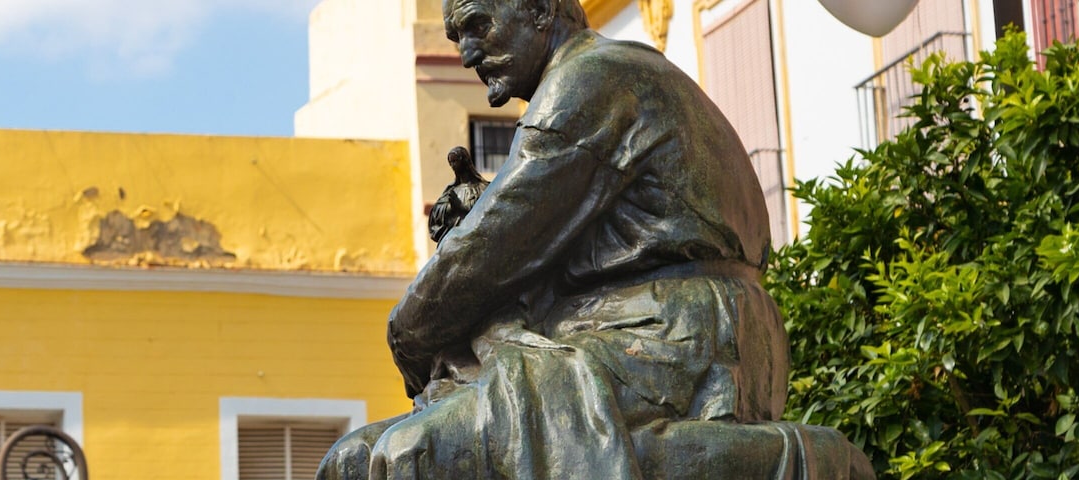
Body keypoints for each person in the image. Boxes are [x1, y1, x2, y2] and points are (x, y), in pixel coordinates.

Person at [315, 0, 873, 477]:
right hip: (622, 329)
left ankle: (783, 459)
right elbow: (529, 227)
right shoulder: (595, 80)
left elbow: (492, 249)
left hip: (676, 337)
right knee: (353, 460)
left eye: (478, 25)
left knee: (404, 456)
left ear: (539, 9)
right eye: (457, 37)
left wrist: (407, 335)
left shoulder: (592, 79)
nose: (467, 54)